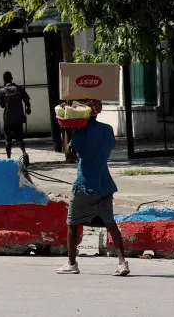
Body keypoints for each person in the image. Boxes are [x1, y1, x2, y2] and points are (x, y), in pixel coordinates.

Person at [59, 99, 129, 277]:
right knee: (110, 223)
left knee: (72, 224)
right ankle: (122, 263)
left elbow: (69, 155)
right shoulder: (107, 129)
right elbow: (108, 147)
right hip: (104, 184)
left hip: (84, 185)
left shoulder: (81, 132)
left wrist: (67, 131)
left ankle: (71, 263)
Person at [0, 71, 32, 161]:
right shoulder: (19, 89)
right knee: (19, 138)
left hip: (8, 119)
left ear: (4, 80)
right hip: (18, 118)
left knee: (8, 139)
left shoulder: (2, 91)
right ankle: (24, 154)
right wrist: (28, 108)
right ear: (12, 78)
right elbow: (27, 102)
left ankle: (8, 158)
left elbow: (2, 105)